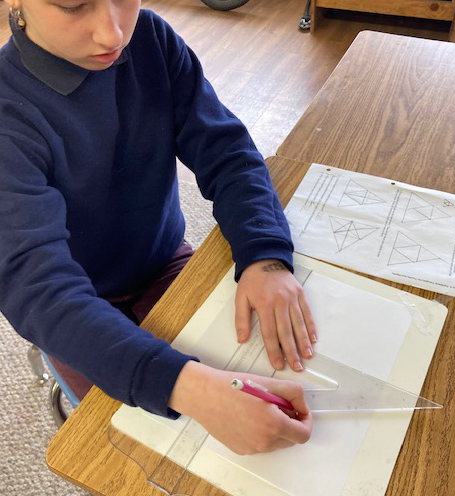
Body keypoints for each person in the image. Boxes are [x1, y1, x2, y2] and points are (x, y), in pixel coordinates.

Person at [0, 0, 315, 454]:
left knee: (266, 376)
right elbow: (39, 291)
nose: (113, 35)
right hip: (75, 304)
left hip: (162, 259)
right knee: (138, 453)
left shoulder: (150, 38)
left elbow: (226, 151)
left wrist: (264, 257)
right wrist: (190, 389)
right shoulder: (9, 113)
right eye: (72, 5)